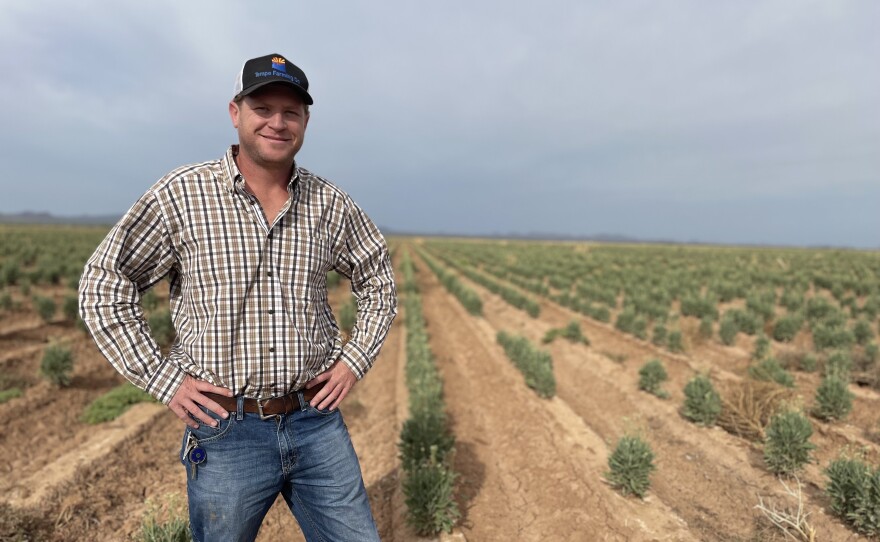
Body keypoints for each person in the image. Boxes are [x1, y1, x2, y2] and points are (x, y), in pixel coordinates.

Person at [79, 53, 397, 542]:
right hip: (227, 429)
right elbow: (104, 283)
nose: (277, 122)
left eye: (291, 112)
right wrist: (165, 381)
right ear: (236, 112)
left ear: (306, 121)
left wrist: (354, 360)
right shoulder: (182, 196)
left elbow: (379, 280)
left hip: (316, 421)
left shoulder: (329, 203)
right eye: (263, 108)